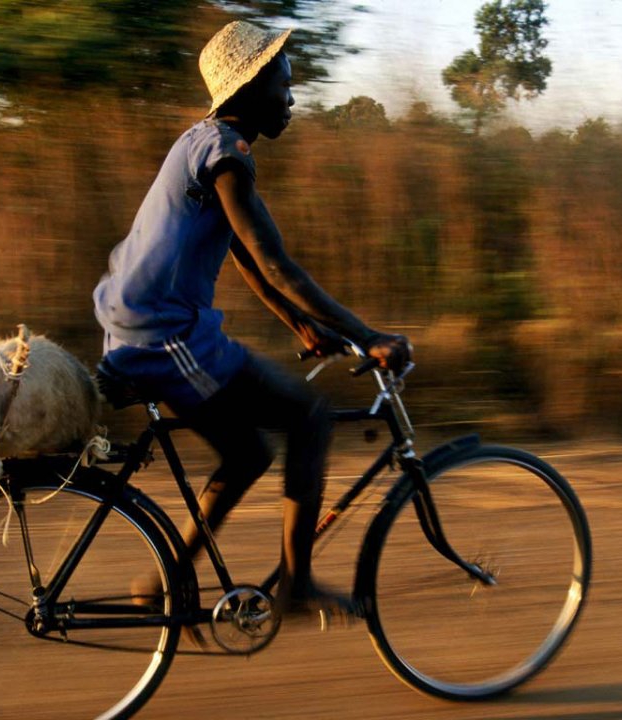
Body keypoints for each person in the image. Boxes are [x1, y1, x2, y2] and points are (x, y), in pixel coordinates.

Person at [93, 20, 410, 616]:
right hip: (163, 336)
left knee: (249, 453)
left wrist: (300, 324)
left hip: (148, 325)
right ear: (251, 87)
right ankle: (295, 586)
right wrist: (368, 337)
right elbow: (275, 260)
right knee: (310, 415)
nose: (292, 99)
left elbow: (242, 255)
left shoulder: (203, 143)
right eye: (284, 84)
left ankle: (164, 581)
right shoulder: (227, 154)